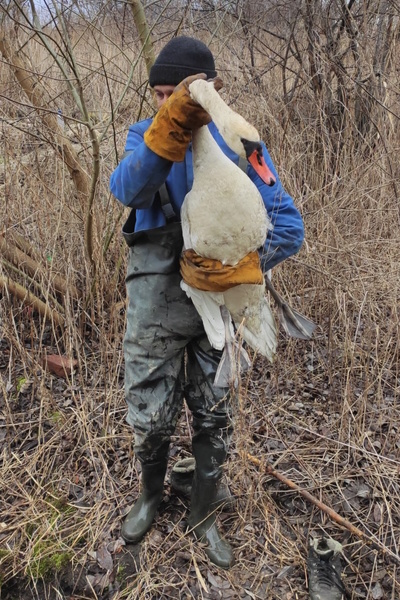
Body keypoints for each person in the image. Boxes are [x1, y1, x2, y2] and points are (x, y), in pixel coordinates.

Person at [109, 36, 304, 569]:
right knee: (149, 418)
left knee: (215, 416)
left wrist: (241, 269)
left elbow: (288, 225)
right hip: (154, 301)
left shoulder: (242, 146)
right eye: (159, 94)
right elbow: (127, 188)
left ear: (212, 89)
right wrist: (166, 131)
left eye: (179, 93)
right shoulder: (144, 136)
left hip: (217, 308)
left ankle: (203, 514)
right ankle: (151, 496)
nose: (168, 103)